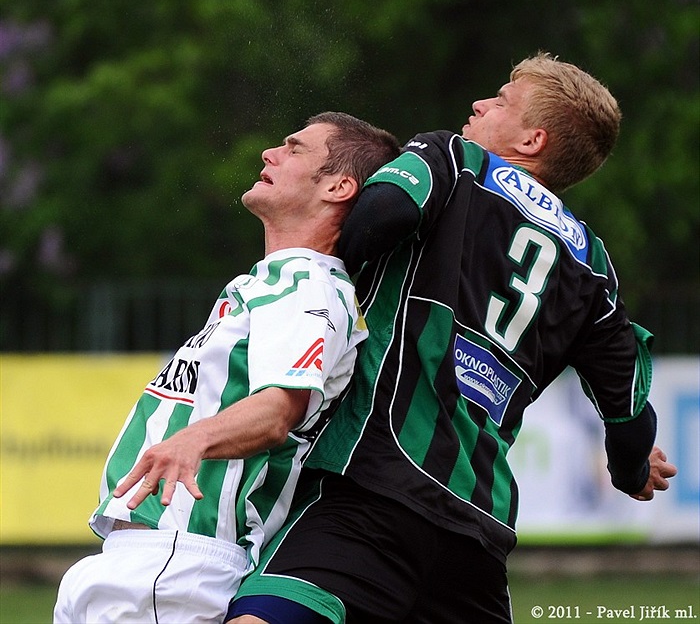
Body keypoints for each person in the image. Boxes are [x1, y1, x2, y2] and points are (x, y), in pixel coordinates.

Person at [226, 53, 678, 624]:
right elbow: (629, 409)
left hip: (374, 485)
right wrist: (632, 468)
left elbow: (379, 215)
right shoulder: (593, 265)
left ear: (533, 139)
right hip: (477, 530)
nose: (479, 104)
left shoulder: (457, 160)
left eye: (501, 101)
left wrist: (317, 280)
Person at [53, 112, 401, 624]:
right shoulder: (269, 282)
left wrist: (192, 441)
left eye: (295, 148)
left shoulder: (308, 284)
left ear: (338, 187)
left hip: (179, 563)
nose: (270, 153)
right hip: (138, 562)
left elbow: (278, 410)